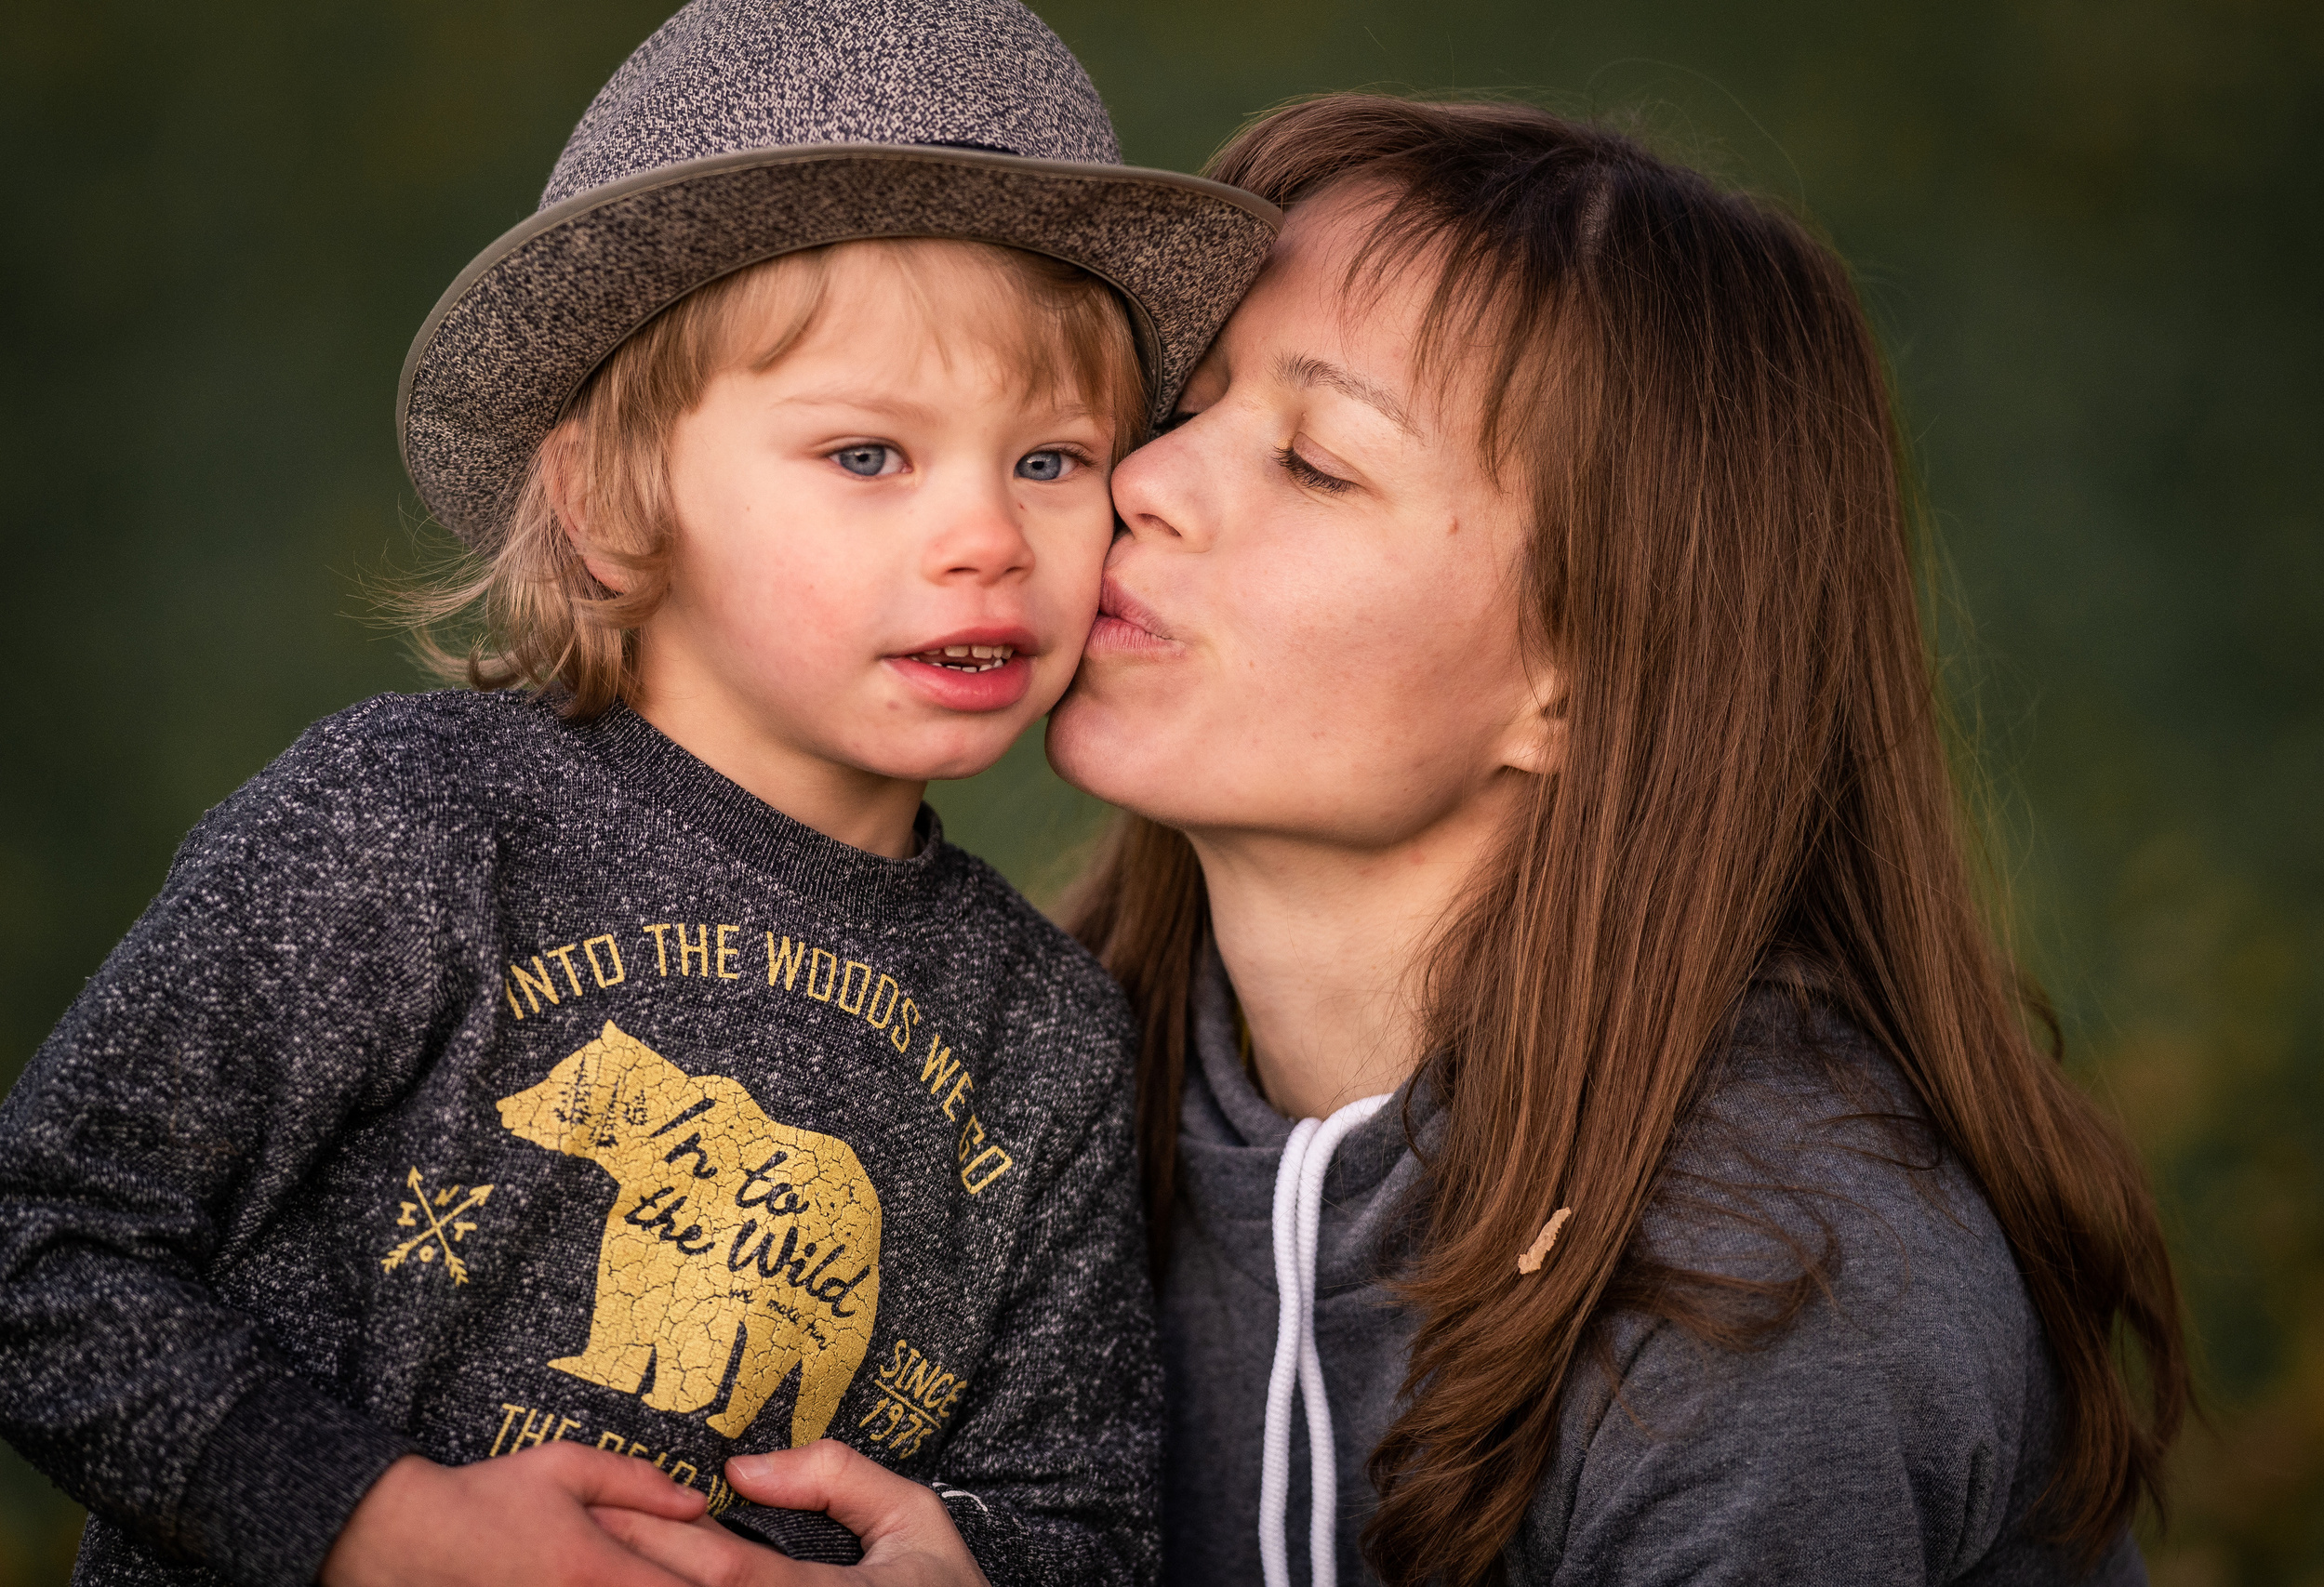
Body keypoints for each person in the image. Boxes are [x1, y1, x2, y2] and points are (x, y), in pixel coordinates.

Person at [681, 95, 2195, 1586]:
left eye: (1316, 461)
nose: (1141, 479)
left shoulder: (1779, 1289)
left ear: (1586, 678)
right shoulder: (1018, 1090)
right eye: (1185, 401)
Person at [0, 4, 1274, 1586]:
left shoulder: (1048, 1036)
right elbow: (47, 1245)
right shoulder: (408, 825)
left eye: (1051, 461)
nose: (990, 541)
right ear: (610, 499)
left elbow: (1078, 1514)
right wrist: (377, 1524)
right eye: (868, 456)